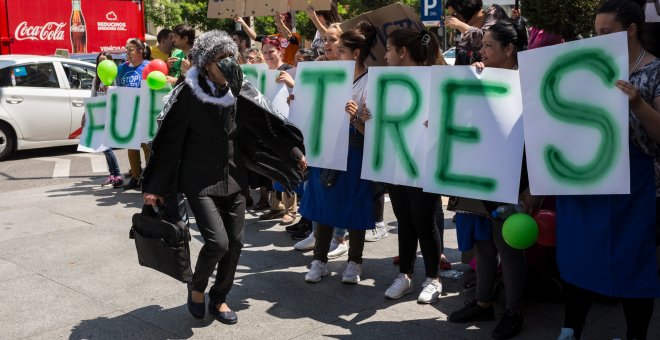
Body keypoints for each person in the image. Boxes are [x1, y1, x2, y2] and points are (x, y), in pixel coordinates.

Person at [141, 30, 306, 325]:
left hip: (234, 178)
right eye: (220, 58)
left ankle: (219, 297)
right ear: (205, 64)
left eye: (231, 55)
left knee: (236, 243)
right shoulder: (188, 95)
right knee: (218, 242)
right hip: (199, 180)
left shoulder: (239, 90)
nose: (228, 63)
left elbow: (264, 124)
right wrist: (153, 186)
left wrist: (293, 153)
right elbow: (167, 144)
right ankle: (198, 287)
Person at [556, 1, 660, 339]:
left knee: (633, 263)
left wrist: (637, 103)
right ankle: (571, 328)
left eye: (605, 32)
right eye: (595, 32)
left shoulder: (655, 71)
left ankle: (635, 335)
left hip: (638, 186)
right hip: (590, 179)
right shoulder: (589, 67)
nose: (597, 39)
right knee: (579, 255)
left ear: (630, 30)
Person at [445, 20, 532, 340]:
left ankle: (513, 311)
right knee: (483, 241)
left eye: (489, 46)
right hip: (479, 175)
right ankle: (483, 302)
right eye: (482, 46)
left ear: (510, 50)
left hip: (512, 177)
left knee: (508, 246)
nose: (481, 51)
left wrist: (530, 188)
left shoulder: (529, 84)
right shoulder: (479, 76)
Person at [300, 21, 378, 284]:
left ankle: (354, 262)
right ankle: (319, 260)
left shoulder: (372, 81)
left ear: (356, 53)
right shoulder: (330, 75)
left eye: (342, 50)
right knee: (323, 203)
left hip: (355, 151)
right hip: (328, 147)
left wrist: (356, 118)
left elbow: (373, 132)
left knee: (354, 205)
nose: (336, 53)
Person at [373, 28, 443, 304]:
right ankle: (406, 275)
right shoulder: (386, 81)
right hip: (395, 159)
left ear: (403, 52)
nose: (386, 55)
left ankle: (433, 278)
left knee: (424, 221)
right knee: (404, 219)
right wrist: (365, 116)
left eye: (389, 49)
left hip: (422, 162)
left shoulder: (436, 80)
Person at [82, 52, 123, 188]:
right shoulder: (96, 78)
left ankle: (117, 175)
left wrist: (110, 90)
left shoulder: (115, 76)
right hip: (99, 114)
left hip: (111, 114)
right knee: (103, 146)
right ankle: (113, 174)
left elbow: (120, 95)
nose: (102, 64)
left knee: (106, 146)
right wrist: (86, 114)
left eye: (104, 61)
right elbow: (93, 96)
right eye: (99, 61)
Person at [117, 38, 150, 190]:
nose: (127, 53)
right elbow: (119, 88)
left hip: (144, 113)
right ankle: (136, 177)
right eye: (126, 50)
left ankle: (150, 177)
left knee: (146, 146)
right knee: (131, 146)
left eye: (130, 50)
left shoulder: (148, 67)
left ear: (140, 52)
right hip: (129, 113)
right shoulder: (123, 68)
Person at [444, 0, 508, 65]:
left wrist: (460, 24)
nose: (452, 19)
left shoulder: (495, 11)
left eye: (454, 15)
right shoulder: (466, 31)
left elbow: (485, 39)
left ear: (466, 9)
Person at [235, 12, 301, 65]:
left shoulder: (296, 36)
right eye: (277, 22)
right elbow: (254, 37)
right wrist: (242, 22)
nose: (278, 25)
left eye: (283, 21)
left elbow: (289, 36)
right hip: (276, 69)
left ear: (290, 22)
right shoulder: (274, 37)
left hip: (290, 69)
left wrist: (279, 22)